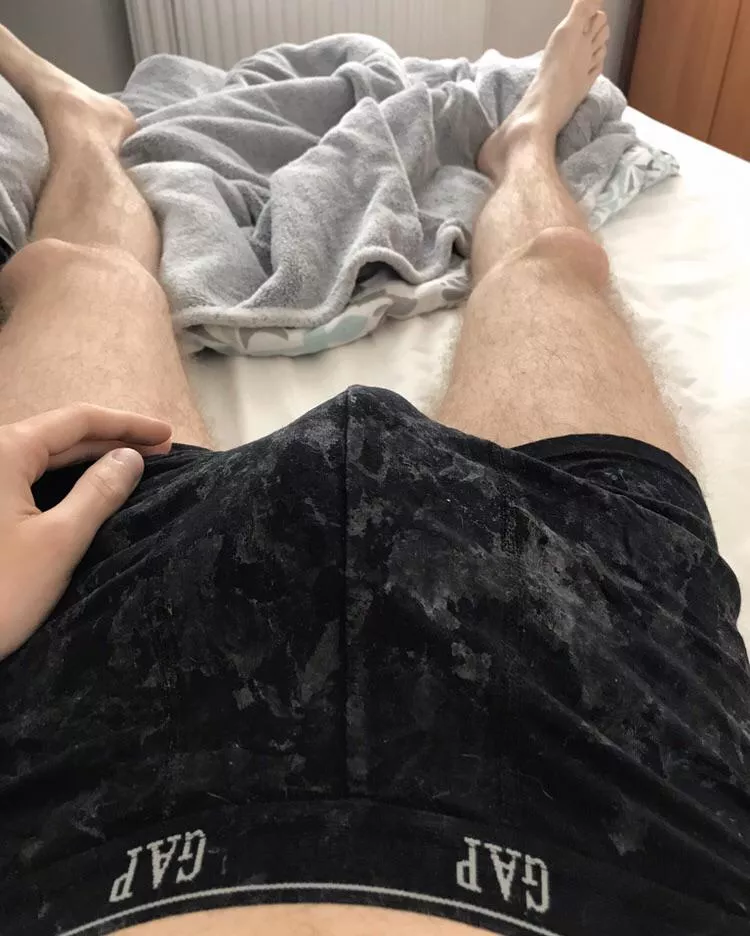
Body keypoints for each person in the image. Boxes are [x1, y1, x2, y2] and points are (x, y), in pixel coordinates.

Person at [1, 1, 748, 935]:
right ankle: (521, 144)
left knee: (78, 276)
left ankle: (86, 129)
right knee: (551, 268)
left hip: (86, 693)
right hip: (610, 711)